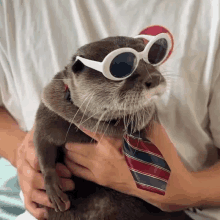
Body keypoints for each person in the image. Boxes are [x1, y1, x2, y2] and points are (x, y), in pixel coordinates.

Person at [1, 0, 220, 219]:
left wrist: (187, 192)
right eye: (119, 66)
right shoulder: (10, 8)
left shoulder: (210, 10)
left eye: (154, 55)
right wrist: (26, 159)